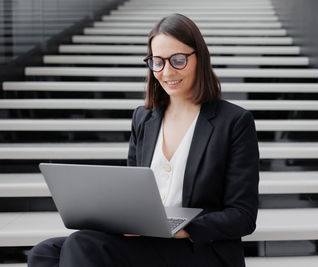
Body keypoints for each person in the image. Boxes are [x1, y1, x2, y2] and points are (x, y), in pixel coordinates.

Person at [28, 13, 259, 267]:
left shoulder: (234, 122)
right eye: (157, 62)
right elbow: (133, 193)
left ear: (199, 58)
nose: (167, 71)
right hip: (149, 240)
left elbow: (243, 216)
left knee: (82, 245)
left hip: (200, 247)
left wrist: (180, 228)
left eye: (178, 60)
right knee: (45, 252)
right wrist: (126, 220)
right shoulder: (144, 118)